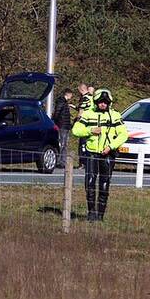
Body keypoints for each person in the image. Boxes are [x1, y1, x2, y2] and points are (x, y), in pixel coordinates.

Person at [72, 88, 128, 222]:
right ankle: (91, 213)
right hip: (92, 152)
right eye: (100, 102)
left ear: (109, 102)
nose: (103, 104)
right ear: (96, 102)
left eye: (105, 102)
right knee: (90, 181)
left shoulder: (115, 115)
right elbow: (76, 130)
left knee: (104, 183)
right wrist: (91, 130)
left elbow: (124, 134)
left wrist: (111, 146)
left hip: (108, 154)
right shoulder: (88, 114)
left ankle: (100, 216)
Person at [52, 88, 74, 168]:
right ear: (68, 94)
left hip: (65, 126)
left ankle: (62, 161)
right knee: (62, 144)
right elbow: (57, 112)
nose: (71, 96)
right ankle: (59, 161)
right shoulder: (61, 102)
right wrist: (56, 122)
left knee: (64, 144)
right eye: (71, 94)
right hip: (62, 126)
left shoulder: (64, 102)